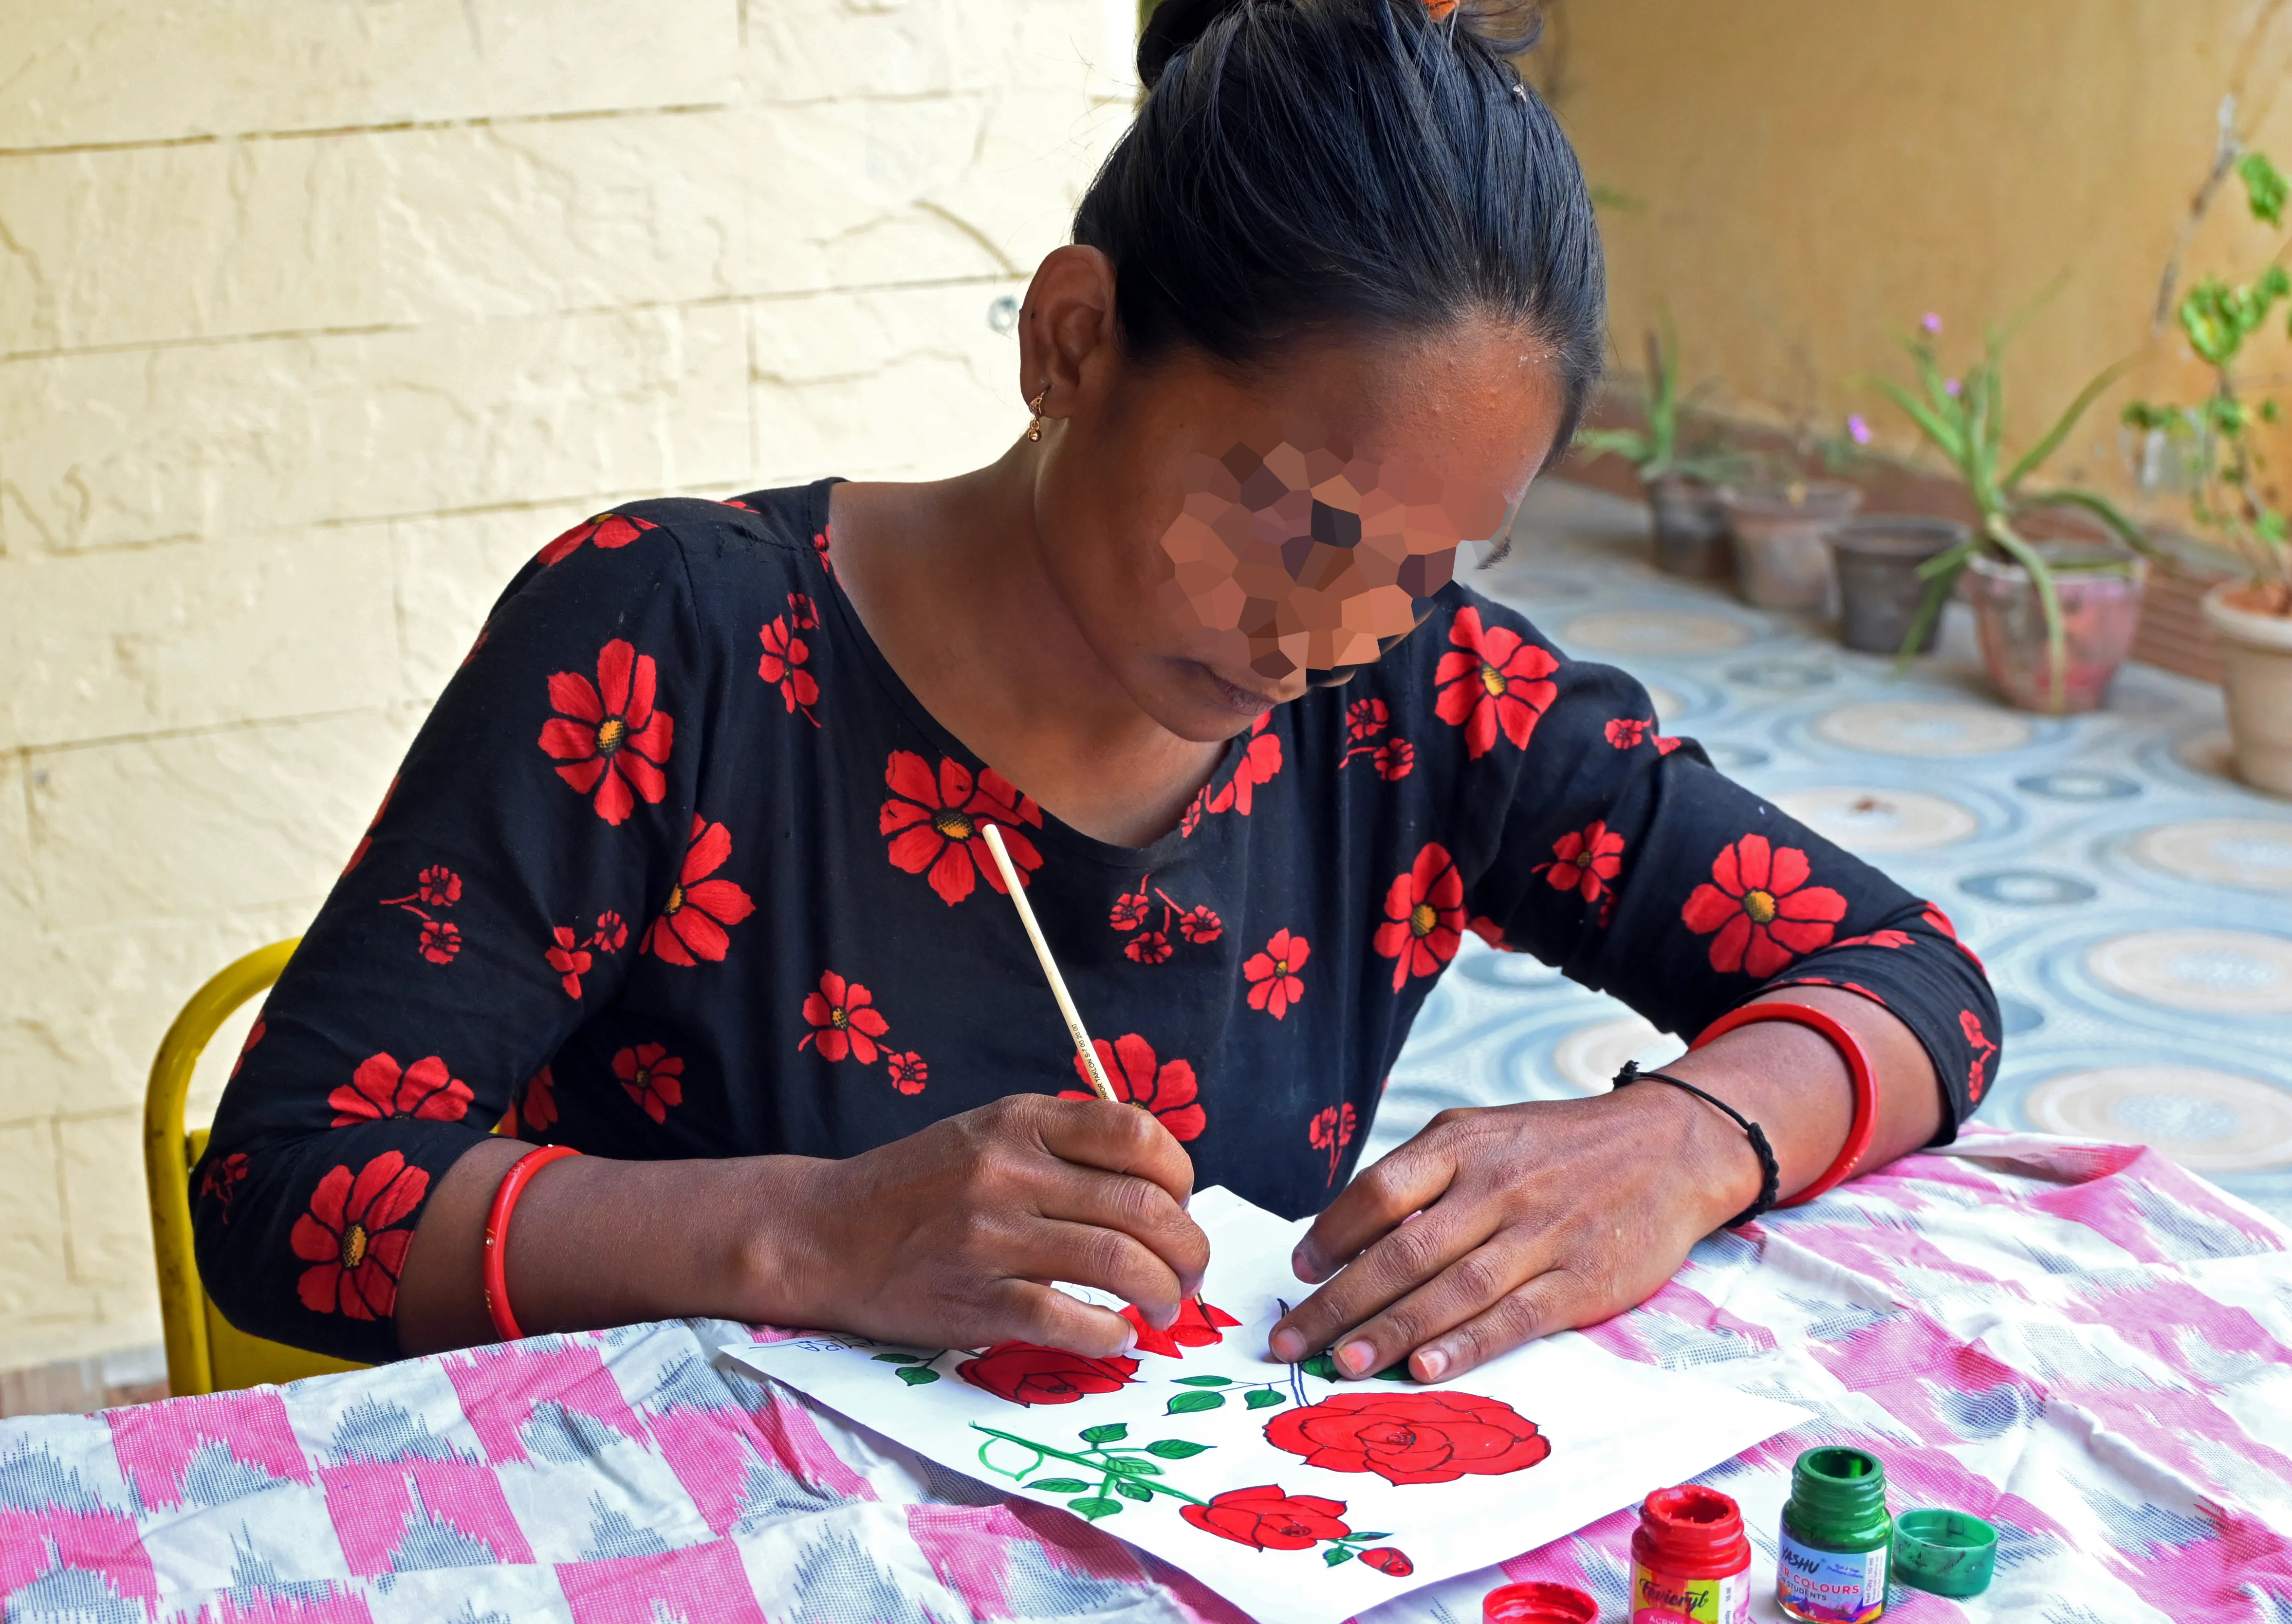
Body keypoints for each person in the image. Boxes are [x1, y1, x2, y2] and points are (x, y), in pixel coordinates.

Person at [192, 0, 1998, 1387]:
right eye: (1299, 521)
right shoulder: (668, 648)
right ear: (1072, 341)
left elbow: (1920, 987)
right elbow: (281, 1199)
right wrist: (802, 1234)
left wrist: (1678, 1146)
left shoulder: (1428, 707)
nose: (1342, 628)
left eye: (1440, 565)